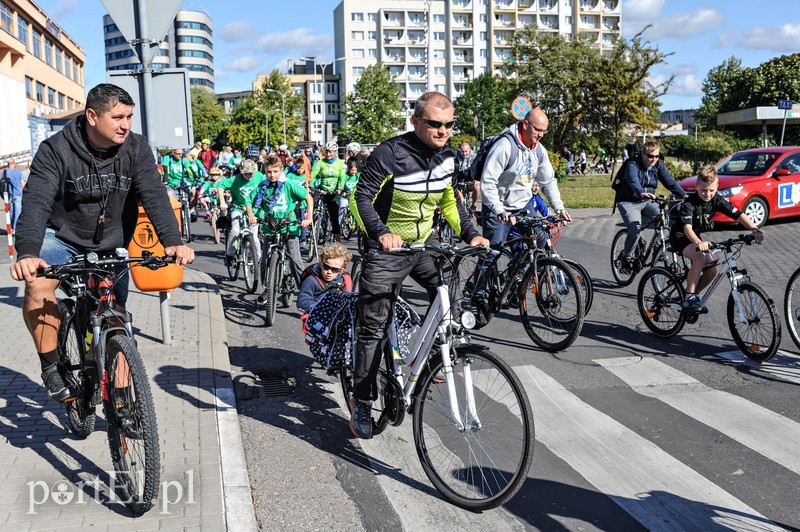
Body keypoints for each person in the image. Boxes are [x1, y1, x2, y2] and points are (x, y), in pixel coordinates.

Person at [9, 83, 195, 403]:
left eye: (130, 117)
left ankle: (125, 402)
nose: (126, 124)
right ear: (92, 116)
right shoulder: (56, 150)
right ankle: (52, 366)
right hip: (62, 236)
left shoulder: (136, 148)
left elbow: (153, 195)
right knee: (38, 284)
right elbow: (36, 202)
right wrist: (27, 252)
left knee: (115, 316)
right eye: (118, 117)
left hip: (111, 241)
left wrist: (173, 241)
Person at [349, 91, 489, 439]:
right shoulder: (391, 153)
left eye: (449, 125)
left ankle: (432, 357)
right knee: (373, 328)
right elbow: (359, 198)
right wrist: (381, 233)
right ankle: (363, 400)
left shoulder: (449, 158)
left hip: (420, 247)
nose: (443, 131)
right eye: (435, 124)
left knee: (450, 291)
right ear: (416, 122)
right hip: (386, 250)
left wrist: (471, 234)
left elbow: (448, 201)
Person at [669, 165, 763, 311]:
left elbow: (737, 214)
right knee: (700, 258)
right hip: (680, 237)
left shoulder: (716, 199)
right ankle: (689, 297)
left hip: (695, 239)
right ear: (696, 186)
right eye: (703, 190)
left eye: (711, 190)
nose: (707, 194)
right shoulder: (689, 203)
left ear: (717, 187)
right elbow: (687, 228)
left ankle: (693, 295)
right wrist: (699, 243)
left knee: (711, 271)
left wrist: (754, 229)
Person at [479, 107, 572, 254]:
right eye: (537, 130)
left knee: (541, 241)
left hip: (523, 206)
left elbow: (548, 181)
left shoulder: (539, 151)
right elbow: (487, 181)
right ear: (526, 124)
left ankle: (521, 273)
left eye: (544, 131)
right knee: (491, 255)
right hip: (497, 208)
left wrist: (559, 208)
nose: (541, 135)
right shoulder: (505, 146)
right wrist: (499, 210)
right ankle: (483, 276)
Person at [615, 140, 686, 273]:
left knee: (664, 220)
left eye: (656, 156)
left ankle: (657, 250)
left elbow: (670, 183)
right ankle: (626, 257)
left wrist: (685, 196)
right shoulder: (632, 164)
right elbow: (632, 180)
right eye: (650, 156)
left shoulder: (657, 165)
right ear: (642, 154)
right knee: (635, 230)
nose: (653, 159)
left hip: (647, 201)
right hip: (629, 201)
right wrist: (641, 192)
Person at [252, 154, 312, 280]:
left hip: (289, 226)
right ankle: (267, 288)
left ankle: (304, 290)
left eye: (275, 171)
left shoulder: (288, 184)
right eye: (269, 172)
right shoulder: (263, 185)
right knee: (264, 260)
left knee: (295, 259)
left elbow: (308, 197)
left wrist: (309, 217)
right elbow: (252, 201)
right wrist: (253, 215)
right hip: (270, 226)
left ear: (281, 170)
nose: (272, 175)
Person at [216, 158, 265, 268]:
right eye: (246, 174)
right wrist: (223, 202)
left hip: (254, 210)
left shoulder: (260, 176)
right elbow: (220, 186)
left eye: (251, 173)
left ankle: (258, 259)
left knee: (255, 235)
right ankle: (229, 255)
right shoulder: (235, 179)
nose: (249, 176)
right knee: (235, 231)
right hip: (238, 208)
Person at [296, 242, 352, 315]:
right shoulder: (311, 280)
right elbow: (302, 302)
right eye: (326, 267)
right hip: (315, 318)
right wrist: (323, 307)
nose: (329, 272)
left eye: (335, 270)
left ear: (342, 269)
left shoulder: (342, 280)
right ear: (321, 263)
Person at [310, 142, 346, 242]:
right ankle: (312, 226)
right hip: (322, 190)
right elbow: (313, 173)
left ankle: (338, 242)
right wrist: (307, 182)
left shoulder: (341, 163)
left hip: (334, 192)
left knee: (334, 217)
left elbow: (342, 177)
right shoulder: (320, 162)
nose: (328, 154)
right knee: (311, 203)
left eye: (331, 152)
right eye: (327, 152)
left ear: (335, 152)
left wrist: (340, 188)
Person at [2, 158, 26, 231]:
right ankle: (15, 228)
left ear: (8, 164)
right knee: (17, 211)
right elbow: (22, 184)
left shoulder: (4, 172)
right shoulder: (19, 172)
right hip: (18, 194)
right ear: (14, 164)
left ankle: (10, 228)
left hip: (8, 195)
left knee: (10, 211)